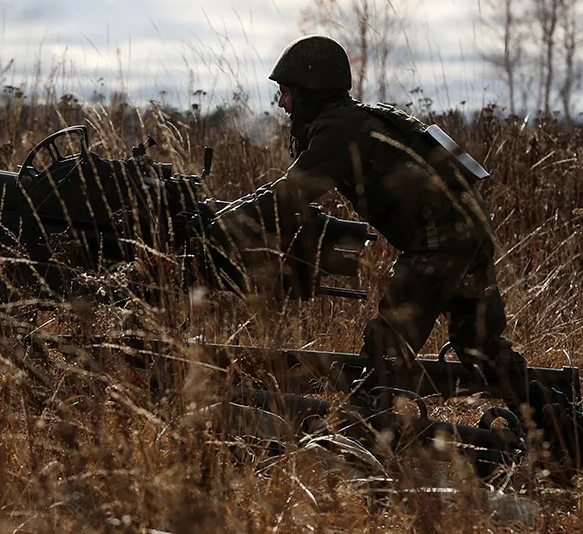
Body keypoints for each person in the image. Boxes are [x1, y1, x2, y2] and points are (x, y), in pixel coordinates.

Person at [213, 34, 530, 408]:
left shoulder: (340, 129)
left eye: (286, 92)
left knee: (387, 345)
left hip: (440, 239)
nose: (282, 102)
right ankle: (556, 425)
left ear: (311, 90)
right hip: (470, 229)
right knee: (480, 348)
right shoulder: (363, 118)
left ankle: (364, 438)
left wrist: (217, 226)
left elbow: (289, 196)